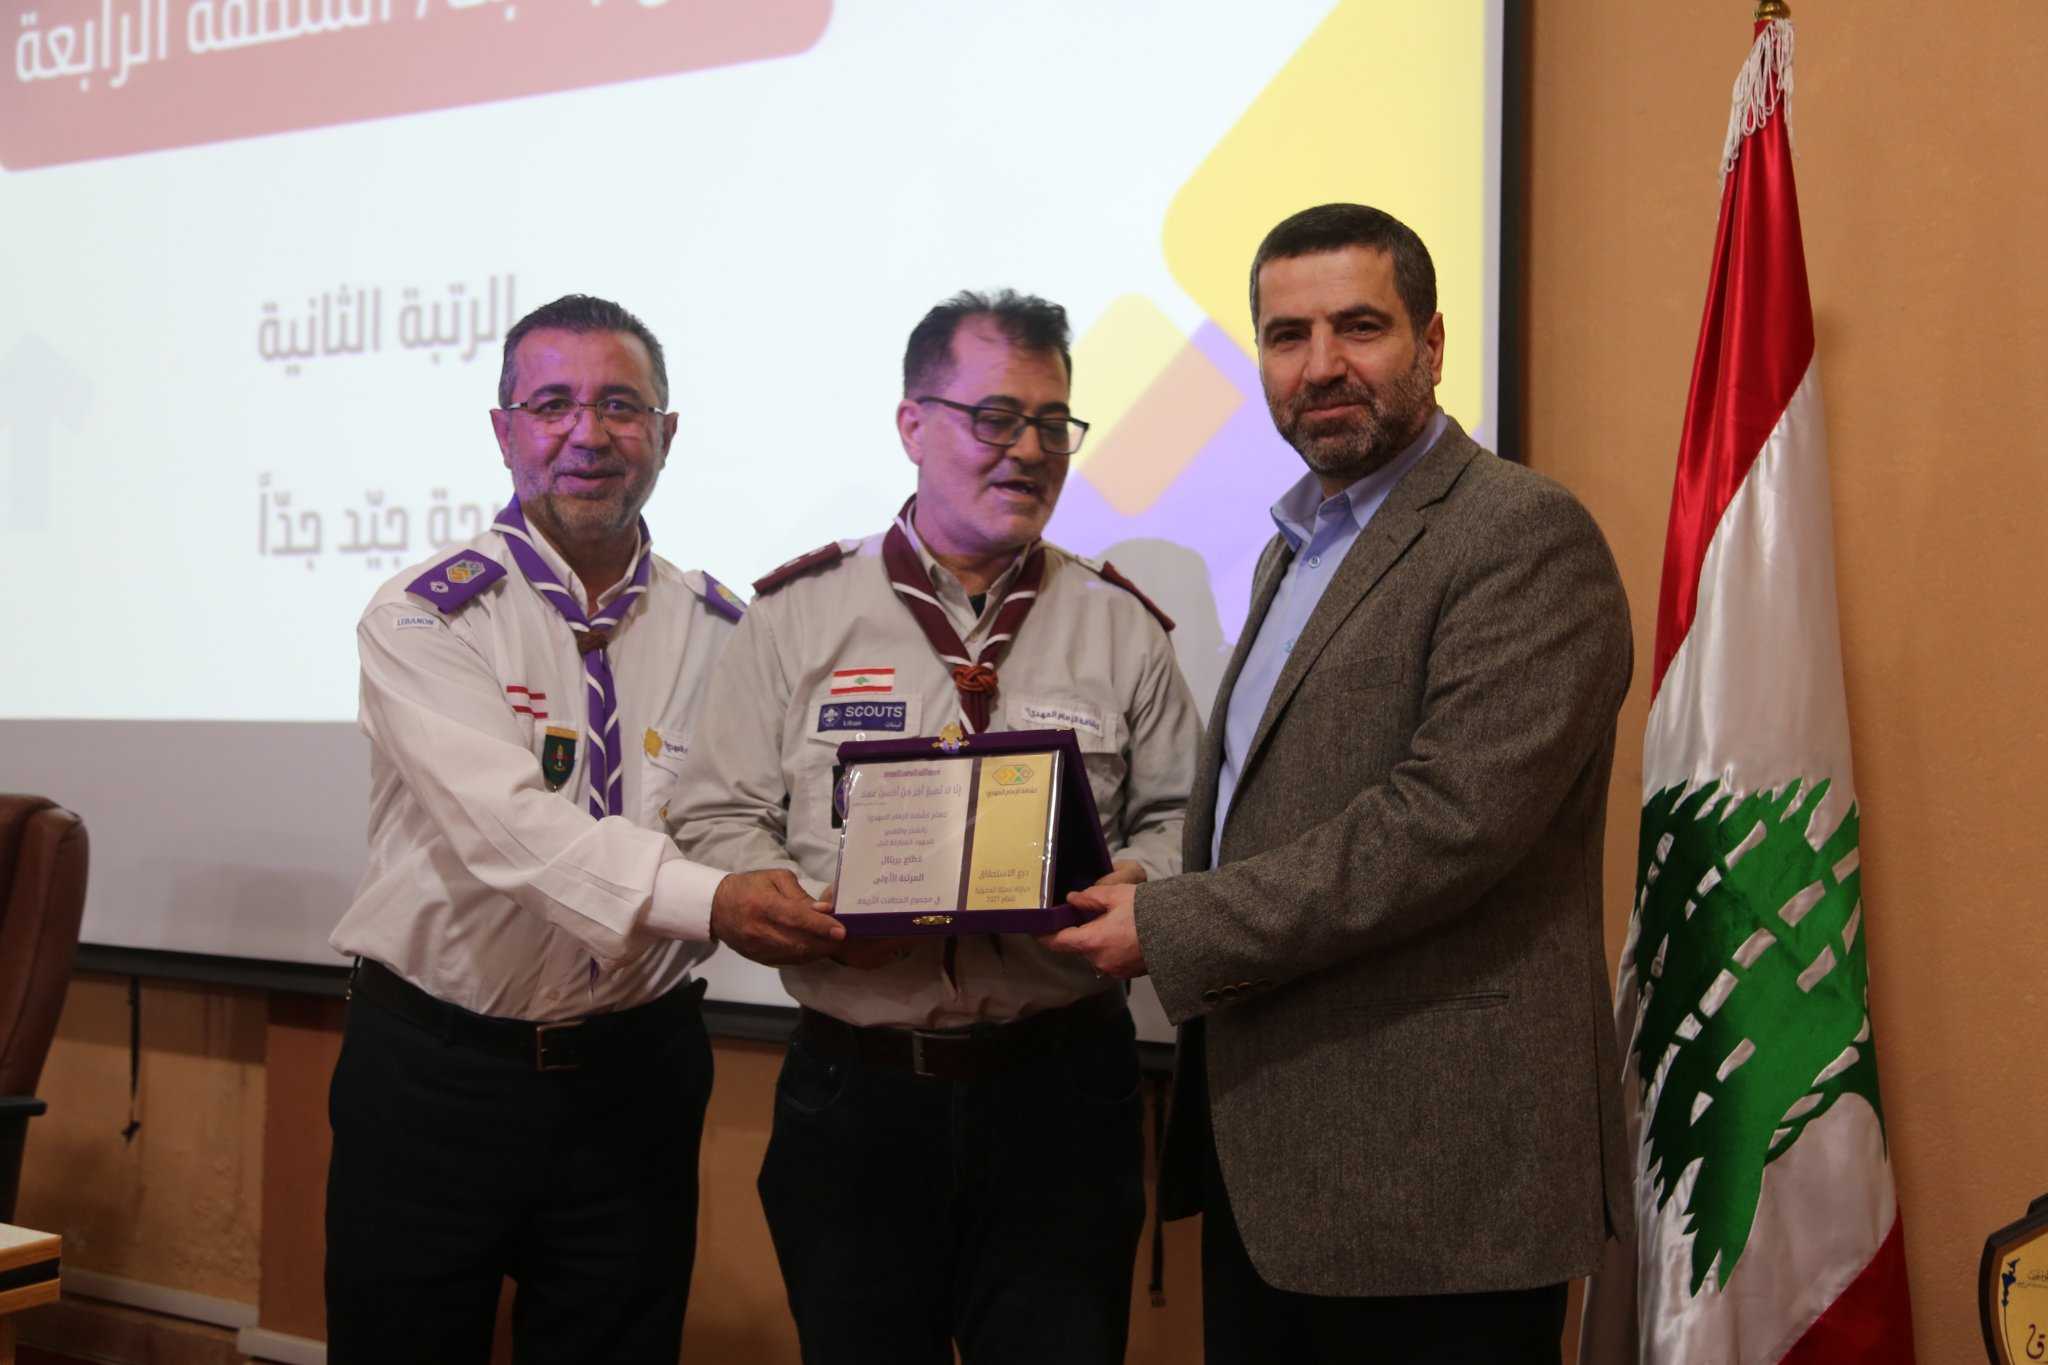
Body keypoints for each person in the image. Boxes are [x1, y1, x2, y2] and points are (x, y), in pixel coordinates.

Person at [1050, 204, 1636, 1363]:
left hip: (1437, 1186)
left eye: (1357, 327)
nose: (1319, 365)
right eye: (1286, 335)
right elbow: (1281, 800)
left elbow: (1444, 826)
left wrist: (1172, 923)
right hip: (1275, 1168)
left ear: (1430, 343)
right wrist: (1161, 880)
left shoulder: (1520, 535)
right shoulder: (1294, 547)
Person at [668, 289, 1200, 1365]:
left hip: (1062, 1094)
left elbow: (1184, 815)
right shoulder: (794, 617)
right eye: (995, 418)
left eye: (1051, 424)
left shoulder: (1122, 627)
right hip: (856, 1095)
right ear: (913, 424)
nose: (1029, 451)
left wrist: (1143, 883)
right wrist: (777, 903)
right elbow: (718, 812)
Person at [324, 293, 841, 1364]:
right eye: (552, 404)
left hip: (635, 1081)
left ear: (665, 433)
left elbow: (773, 813)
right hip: (436, 1076)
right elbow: (512, 833)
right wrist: (715, 900)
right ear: (503, 429)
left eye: (620, 405)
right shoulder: (424, 616)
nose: (587, 434)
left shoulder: (727, 630)